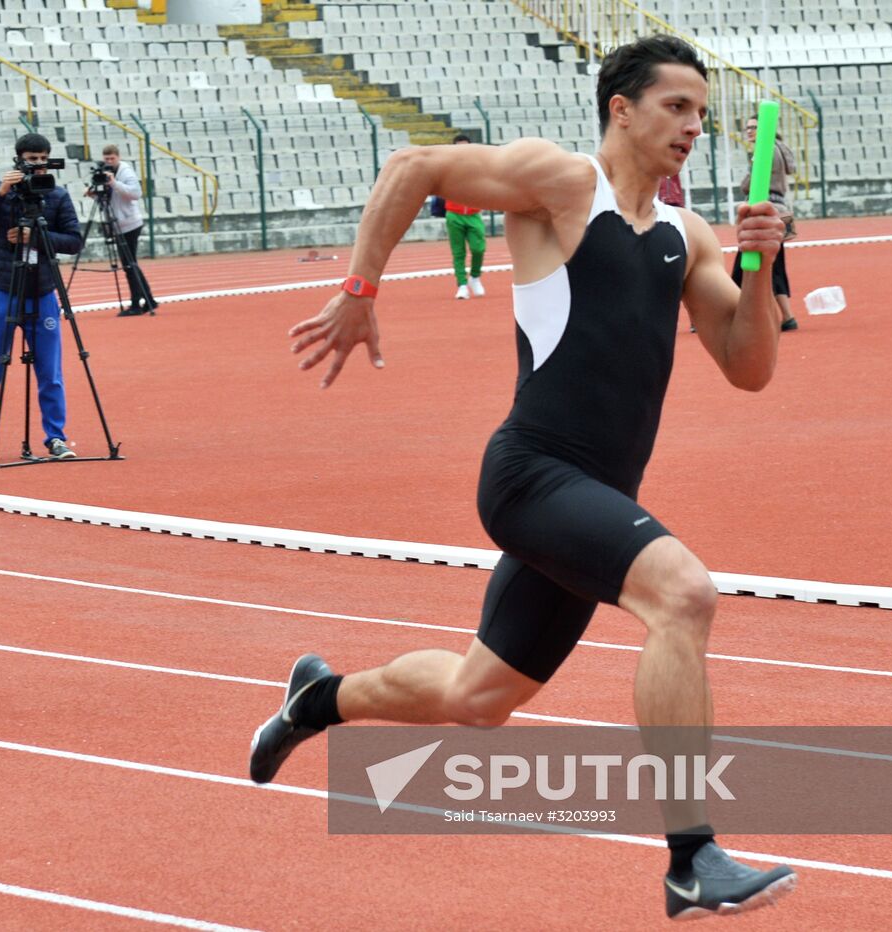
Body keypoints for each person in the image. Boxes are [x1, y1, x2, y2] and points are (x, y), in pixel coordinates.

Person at [250, 35, 797, 920]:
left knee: (478, 697)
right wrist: (360, 287)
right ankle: (692, 858)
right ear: (621, 108)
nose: (695, 126)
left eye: (703, 112)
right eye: (677, 107)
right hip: (533, 473)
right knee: (683, 595)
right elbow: (414, 164)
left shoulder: (687, 235)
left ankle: (321, 697)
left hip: (595, 500)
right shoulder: (561, 183)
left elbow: (748, 366)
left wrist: (759, 264)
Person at [0, 133, 83, 464]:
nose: (38, 164)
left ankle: (55, 437)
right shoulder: (1, 190)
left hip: (42, 291)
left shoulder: (57, 195)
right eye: (32, 158)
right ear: (19, 159)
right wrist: (1, 191)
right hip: (3, 288)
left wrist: (37, 237)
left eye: (44, 158)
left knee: (50, 371)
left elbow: (75, 241)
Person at [731, 115, 799, 331]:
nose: (749, 132)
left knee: (746, 264)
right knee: (775, 265)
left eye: (754, 127)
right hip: (780, 210)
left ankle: (731, 313)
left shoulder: (764, 150)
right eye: (747, 128)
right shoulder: (780, 149)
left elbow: (748, 185)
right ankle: (787, 316)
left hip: (765, 212)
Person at [87, 143, 157, 318]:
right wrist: (94, 193)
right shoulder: (103, 171)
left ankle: (138, 302)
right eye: (106, 159)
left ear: (118, 157)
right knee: (129, 264)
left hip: (130, 223)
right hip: (118, 224)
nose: (109, 162)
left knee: (129, 264)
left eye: (112, 158)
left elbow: (135, 193)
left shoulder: (125, 171)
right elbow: (107, 199)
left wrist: (114, 183)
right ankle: (148, 299)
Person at [441, 133, 487, 299]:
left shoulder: (478, 167)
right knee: (458, 253)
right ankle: (462, 285)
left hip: (474, 214)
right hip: (454, 214)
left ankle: (475, 277)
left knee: (478, 248)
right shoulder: (446, 168)